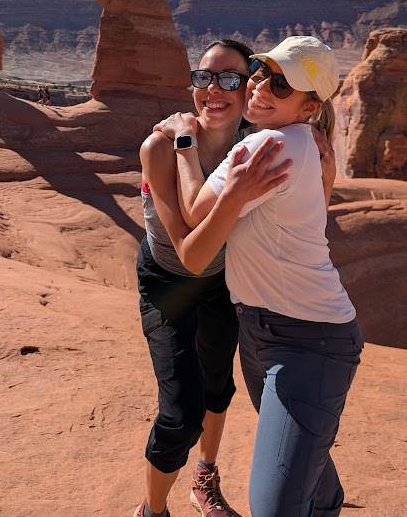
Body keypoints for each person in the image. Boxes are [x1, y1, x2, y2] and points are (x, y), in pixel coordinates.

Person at [156, 36, 363, 517]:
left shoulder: (267, 143)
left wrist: (184, 141)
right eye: (260, 71)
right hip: (263, 332)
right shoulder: (306, 140)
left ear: (309, 104)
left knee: (273, 508)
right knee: (302, 467)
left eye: (281, 83)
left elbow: (191, 212)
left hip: (308, 342)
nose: (259, 86)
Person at [134, 40, 292, 517]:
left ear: (249, 89)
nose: (214, 90)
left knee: (218, 388)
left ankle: (204, 477)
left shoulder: (256, 141)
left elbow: (307, 122)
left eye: (230, 79)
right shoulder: (161, 146)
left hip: (223, 283)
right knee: (179, 412)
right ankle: (153, 510)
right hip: (168, 281)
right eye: (204, 78)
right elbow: (190, 249)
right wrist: (186, 144)